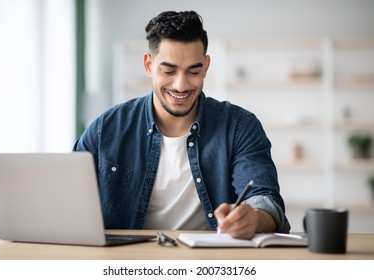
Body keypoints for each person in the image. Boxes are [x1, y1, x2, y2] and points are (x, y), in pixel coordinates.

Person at [73, 10, 291, 239]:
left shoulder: (240, 126)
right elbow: (69, 198)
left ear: (206, 66)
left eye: (193, 71)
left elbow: (265, 199)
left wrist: (254, 218)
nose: (181, 85)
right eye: (168, 71)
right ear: (149, 65)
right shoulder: (106, 128)